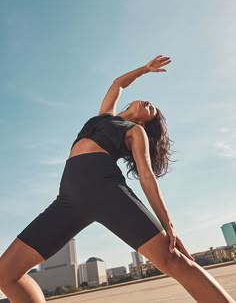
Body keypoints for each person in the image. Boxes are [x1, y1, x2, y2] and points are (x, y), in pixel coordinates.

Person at [0, 55, 234, 303]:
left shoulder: (136, 131)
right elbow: (118, 84)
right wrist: (145, 69)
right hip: (68, 200)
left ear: (144, 121)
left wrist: (169, 225)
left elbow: (146, 176)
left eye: (151, 109)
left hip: (107, 192)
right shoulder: (104, 116)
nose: (148, 103)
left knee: (174, 261)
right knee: (6, 274)